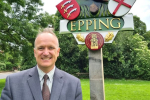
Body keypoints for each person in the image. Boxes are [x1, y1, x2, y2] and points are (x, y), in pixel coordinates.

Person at [0, 28, 82, 100]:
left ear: (57, 52)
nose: (46, 53)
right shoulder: (13, 83)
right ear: (35, 52)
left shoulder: (73, 85)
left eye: (51, 47)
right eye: (41, 48)